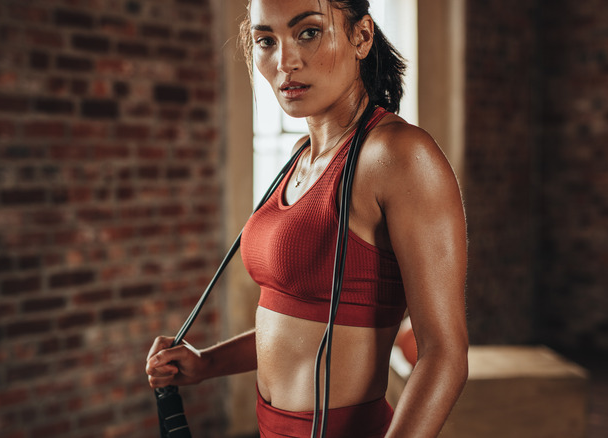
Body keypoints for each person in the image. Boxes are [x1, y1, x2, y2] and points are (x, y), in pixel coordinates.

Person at [146, 0, 468, 436]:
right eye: (266, 41)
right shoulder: (299, 159)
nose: (285, 61)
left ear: (362, 37)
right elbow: (298, 323)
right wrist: (207, 364)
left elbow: (444, 355)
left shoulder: (398, 156)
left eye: (309, 32)